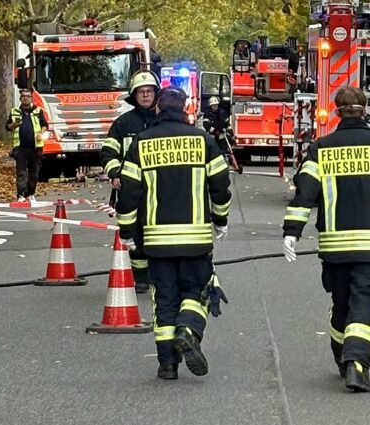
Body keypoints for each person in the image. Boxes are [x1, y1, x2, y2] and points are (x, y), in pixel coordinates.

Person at [282, 86, 370, 393]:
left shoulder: (321, 148)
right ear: (366, 110)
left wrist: (292, 232)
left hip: (334, 246)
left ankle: (341, 356)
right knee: (364, 301)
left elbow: (305, 193)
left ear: (336, 112)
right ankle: (356, 364)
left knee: (341, 303)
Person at [115, 87, 231, 381]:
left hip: (156, 240)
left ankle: (167, 364)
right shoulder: (203, 141)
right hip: (195, 239)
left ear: (157, 109)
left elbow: (128, 193)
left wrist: (127, 231)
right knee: (198, 290)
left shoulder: (142, 143)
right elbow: (220, 185)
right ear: (185, 109)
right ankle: (188, 330)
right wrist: (220, 220)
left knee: (164, 298)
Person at [100, 70, 159, 293]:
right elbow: (108, 152)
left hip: (160, 188)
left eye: (149, 91)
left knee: (159, 233)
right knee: (135, 233)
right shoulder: (123, 123)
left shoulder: (163, 121)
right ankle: (141, 277)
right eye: (141, 91)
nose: (145, 95)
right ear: (134, 95)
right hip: (132, 189)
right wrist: (115, 173)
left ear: (156, 94)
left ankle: (159, 274)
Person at [6, 89, 48, 202]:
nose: (25, 98)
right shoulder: (14, 111)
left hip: (35, 148)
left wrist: (41, 133)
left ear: (31, 98)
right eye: (23, 96)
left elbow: (44, 125)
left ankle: (30, 193)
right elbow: (8, 127)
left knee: (34, 173)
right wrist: (14, 125)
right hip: (20, 148)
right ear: (20, 98)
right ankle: (21, 194)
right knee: (21, 172)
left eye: (28, 96)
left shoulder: (38, 111)